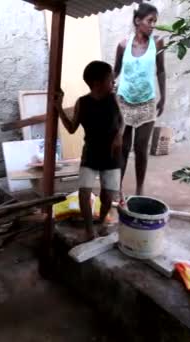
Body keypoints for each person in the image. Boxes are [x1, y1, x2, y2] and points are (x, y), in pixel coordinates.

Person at [55, 61, 124, 240]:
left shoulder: (114, 98)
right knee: (84, 192)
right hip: (91, 153)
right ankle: (89, 229)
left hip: (112, 155)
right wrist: (59, 107)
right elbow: (71, 128)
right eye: (111, 80)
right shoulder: (83, 103)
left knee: (107, 195)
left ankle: (102, 221)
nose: (114, 83)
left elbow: (122, 121)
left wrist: (119, 135)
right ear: (96, 83)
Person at [114, 3, 166, 196]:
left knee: (141, 148)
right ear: (138, 21)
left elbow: (160, 70)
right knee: (123, 148)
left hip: (147, 102)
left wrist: (163, 98)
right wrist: (106, 85)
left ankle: (139, 188)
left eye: (155, 21)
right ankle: (117, 187)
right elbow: (116, 70)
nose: (153, 25)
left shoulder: (158, 43)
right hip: (124, 102)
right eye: (149, 20)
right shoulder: (123, 45)